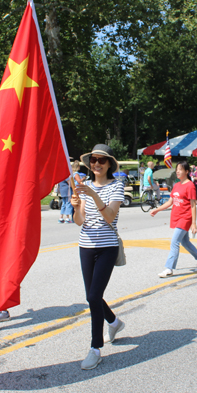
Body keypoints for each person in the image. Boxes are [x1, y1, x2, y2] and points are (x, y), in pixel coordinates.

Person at [71, 144, 125, 370]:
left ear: (109, 164)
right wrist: (75, 207)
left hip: (107, 248)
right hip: (86, 246)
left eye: (102, 160)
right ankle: (114, 321)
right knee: (91, 296)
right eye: (93, 160)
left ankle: (95, 348)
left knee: (94, 297)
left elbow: (110, 217)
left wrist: (93, 195)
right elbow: (80, 221)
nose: (97, 164)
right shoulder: (84, 186)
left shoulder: (117, 186)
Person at [150, 161, 197, 278]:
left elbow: (193, 205)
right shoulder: (176, 185)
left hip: (185, 218)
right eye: (177, 169)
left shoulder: (190, 185)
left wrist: (194, 223)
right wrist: (157, 210)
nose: (177, 171)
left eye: (180, 169)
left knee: (174, 242)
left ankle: (169, 268)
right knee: (185, 242)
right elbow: (170, 202)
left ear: (187, 172)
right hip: (177, 216)